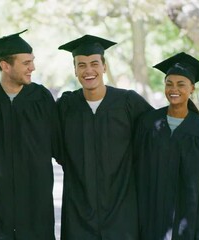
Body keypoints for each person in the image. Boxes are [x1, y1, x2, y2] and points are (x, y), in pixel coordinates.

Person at [57, 35, 153, 239]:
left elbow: (157, 135)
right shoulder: (66, 106)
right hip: (79, 212)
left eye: (94, 63)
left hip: (122, 209)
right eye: (81, 65)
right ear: (75, 70)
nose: (88, 70)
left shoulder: (128, 102)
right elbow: (52, 143)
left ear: (104, 67)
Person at [134, 52, 199, 239]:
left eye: (181, 84)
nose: (174, 89)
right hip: (151, 215)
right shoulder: (148, 123)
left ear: (192, 88)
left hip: (188, 217)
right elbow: (135, 168)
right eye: (169, 83)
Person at [0, 29, 61, 239]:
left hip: (36, 199)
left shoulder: (41, 97)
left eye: (32, 61)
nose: (32, 67)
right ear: (5, 66)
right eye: (26, 63)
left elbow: (58, 142)